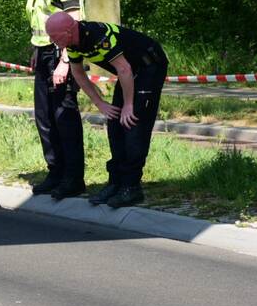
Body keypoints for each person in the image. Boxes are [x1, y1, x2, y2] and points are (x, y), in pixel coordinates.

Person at [45, 12, 168, 208]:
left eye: (54, 36)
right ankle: (116, 182)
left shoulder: (98, 37)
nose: (52, 41)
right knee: (115, 123)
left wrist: (129, 105)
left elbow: (124, 69)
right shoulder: (72, 44)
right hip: (130, 70)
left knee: (132, 123)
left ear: (68, 31)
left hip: (149, 66)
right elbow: (78, 73)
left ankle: (131, 187)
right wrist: (100, 103)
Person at [23, 0, 85, 199]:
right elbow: (40, 17)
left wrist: (65, 62)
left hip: (63, 54)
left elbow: (73, 24)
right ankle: (55, 172)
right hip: (44, 52)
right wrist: (37, 50)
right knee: (45, 117)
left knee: (64, 118)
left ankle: (73, 179)